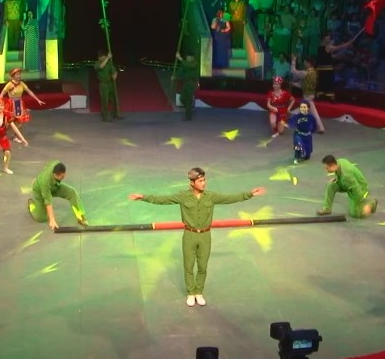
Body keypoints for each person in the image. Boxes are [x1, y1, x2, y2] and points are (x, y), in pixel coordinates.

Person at [128, 167, 265, 307]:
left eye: (204, 180)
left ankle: (198, 292)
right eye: (200, 181)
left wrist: (250, 194)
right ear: (192, 183)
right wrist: (143, 197)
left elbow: (229, 198)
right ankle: (190, 293)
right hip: (189, 235)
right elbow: (163, 200)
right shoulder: (183, 196)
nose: (204, 183)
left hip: (205, 236)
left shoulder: (210, 196)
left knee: (202, 266)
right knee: (188, 266)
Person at [28, 160, 88, 229]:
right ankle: (31, 205)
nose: (63, 177)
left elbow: (48, 165)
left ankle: (80, 217)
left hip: (54, 186)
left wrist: (41, 176)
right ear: (55, 175)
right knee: (40, 217)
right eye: (62, 177)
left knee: (72, 192)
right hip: (40, 191)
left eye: (64, 175)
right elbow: (48, 202)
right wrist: (52, 220)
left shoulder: (56, 163)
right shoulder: (45, 182)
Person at [289, 56, 325, 133]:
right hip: (311, 95)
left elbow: (293, 71)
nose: (304, 64)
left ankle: (296, 124)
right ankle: (320, 127)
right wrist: (293, 84)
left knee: (299, 111)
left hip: (307, 96)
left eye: (305, 62)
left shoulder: (305, 73)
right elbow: (303, 85)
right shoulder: (314, 72)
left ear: (308, 63)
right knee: (313, 113)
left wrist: (293, 61)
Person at [95, 50, 122, 122]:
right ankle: (105, 116)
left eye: (105, 57)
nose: (104, 58)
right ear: (99, 57)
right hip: (103, 84)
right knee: (105, 100)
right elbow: (101, 67)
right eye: (103, 57)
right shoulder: (97, 63)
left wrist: (115, 75)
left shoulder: (109, 63)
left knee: (114, 98)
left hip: (110, 83)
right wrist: (108, 57)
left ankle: (116, 113)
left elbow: (114, 70)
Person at [173, 51, 199, 121]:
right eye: (187, 57)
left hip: (191, 83)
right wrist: (175, 76)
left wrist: (180, 58)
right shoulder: (185, 64)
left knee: (188, 100)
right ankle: (189, 107)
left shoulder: (194, 63)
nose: (187, 58)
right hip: (186, 83)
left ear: (192, 58)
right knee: (182, 99)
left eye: (189, 57)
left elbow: (189, 66)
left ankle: (188, 116)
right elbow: (181, 71)